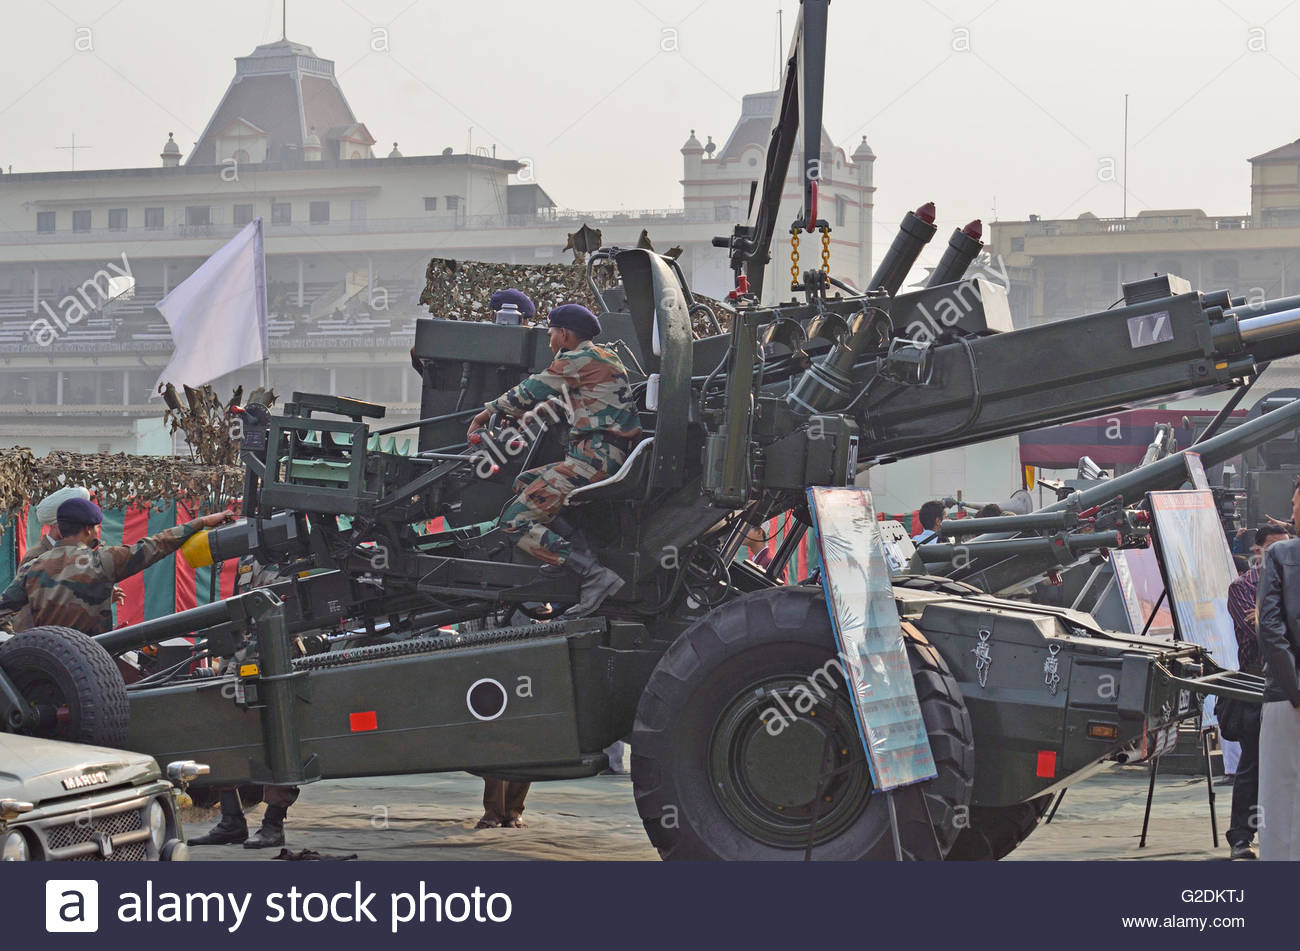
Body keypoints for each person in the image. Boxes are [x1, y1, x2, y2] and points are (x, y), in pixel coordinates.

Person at [466, 302, 641, 618]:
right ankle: (574, 560)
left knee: (514, 521)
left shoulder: (576, 360)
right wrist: (517, 416)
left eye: (550, 333)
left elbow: (530, 390)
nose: (548, 340)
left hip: (594, 459)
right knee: (526, 482)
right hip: (603, 455)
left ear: (564, 334)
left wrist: (484, 416)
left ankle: (590, 573)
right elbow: (570, 401)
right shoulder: (604, 357)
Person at [189, 554, 301, 850]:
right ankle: (231, 821)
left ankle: (273, 825)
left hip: (275, 662)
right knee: (226, 737)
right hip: (236, 665)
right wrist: (225, 660)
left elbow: (299, 616)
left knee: (278, 742)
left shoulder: (295, 555)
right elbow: (238, 612)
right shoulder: (249, 559)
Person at [0, 498, 234, 636]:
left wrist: (18, 642)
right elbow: (157, 544)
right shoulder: (103, 561)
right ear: (88, 529)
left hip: (47, 666)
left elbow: (3, 608)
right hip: (92, 664)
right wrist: (201, 522)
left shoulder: (33, 568)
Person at [1225, 523, 1292, 860]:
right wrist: (1274, 622)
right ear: (1258, 551)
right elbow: (1258, 636)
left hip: (1286, 682)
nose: (1284, 553)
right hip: (1256, 684)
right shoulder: (1242, 587)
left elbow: (1273, 625)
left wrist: (1270, 620)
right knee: (1253, 763)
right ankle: (1241, 837)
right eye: (1275, 547)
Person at [1254, 477, 1300, 860]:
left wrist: (1295, 691)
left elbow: (1270, 627)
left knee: (1279, 803)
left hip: (1286, 699)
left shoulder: (1280, 556)